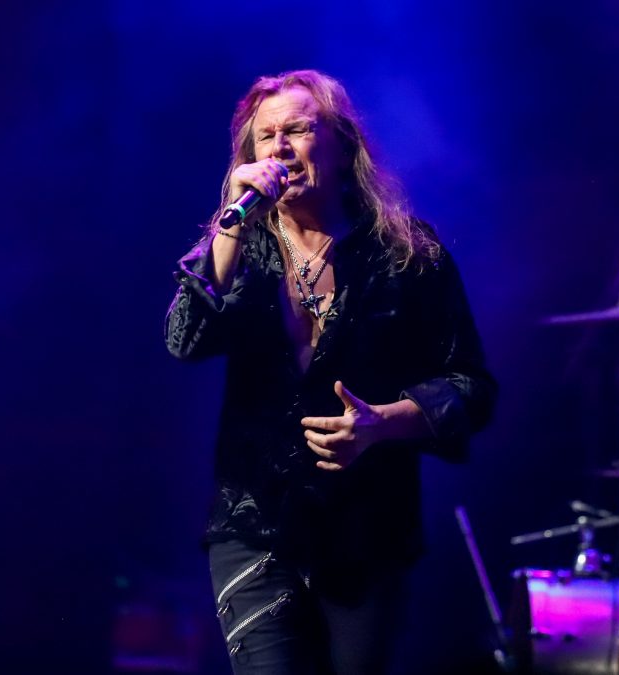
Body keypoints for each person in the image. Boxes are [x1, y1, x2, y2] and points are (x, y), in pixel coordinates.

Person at [164, 70, 496, 675]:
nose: (279, 149)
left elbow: (472, 387)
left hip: (367, 528)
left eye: (297, 130)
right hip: (254, 522)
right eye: (265, 137)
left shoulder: (407, 254)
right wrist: (229, 226)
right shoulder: (239, 248)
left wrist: (385, 423)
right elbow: (185, 341)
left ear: (343, 146)